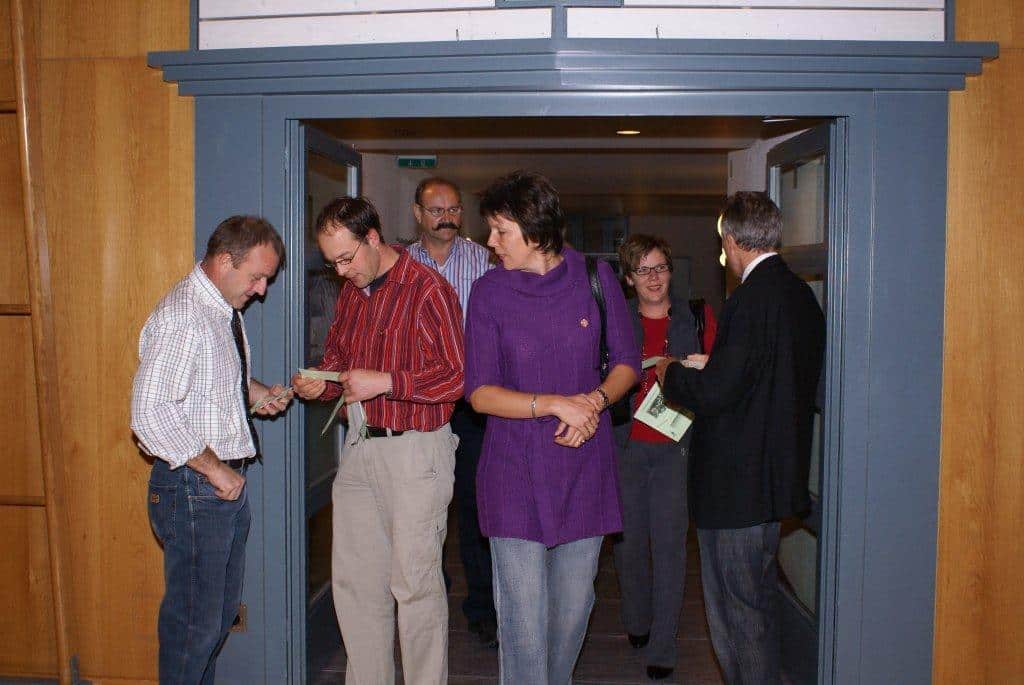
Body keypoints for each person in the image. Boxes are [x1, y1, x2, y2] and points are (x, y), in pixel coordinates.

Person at [464, 171, 640, 684]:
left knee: (571, 614)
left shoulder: (595, 278)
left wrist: (593, 404)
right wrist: (554, 405)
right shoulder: (488, 292)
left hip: (584, 468)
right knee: (524, 626)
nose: (491, 241)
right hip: (512, 474)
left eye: (502, 231)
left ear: (536, 230)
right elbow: (479, 392)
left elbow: (627, 363)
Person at [291, 197, 464, 685]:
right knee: (356, 587)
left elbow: (455, 378)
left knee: (415, 587)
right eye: (332, 263)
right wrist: (320, 383)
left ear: (372, 238)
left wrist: (386, 381)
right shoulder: (352, 293)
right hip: (360, 445)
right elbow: (339, 363)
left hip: (416, 451)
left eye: (346, 258)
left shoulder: (429, 289)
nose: (341, 272)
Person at [656, 192, 825, 685]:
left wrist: (671, 374)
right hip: (773, 484)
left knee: (737, 619)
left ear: (731, 239)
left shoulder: (748, 299)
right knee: (759, 605)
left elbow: (717, 394)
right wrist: (718, 365)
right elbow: (771, 374)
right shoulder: (799, 295)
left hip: (736, 490)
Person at [131, 215, 293, 685]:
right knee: (193, 629)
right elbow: (149, 412)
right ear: (224, 261)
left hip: (211, 489)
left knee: (213, 620)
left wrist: (256, 394)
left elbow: (208, 386)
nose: (262, 290)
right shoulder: (185, 316)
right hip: (195, 488)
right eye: (256, 277)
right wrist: (214, 469)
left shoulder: (219, 309)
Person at [407, 177, 498, 647]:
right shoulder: (401, 265)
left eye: (454, 209)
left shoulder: (485, 261)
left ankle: (483, 608)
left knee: (476, 505)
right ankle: (431, 604)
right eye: (436, 210)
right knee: (425, 507)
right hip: (421, 404)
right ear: (417, 214)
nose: (447, 217)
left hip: (473, 405)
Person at [611, 234, 701, 681]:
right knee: (628, 547)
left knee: (669, 549)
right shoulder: (614, 320)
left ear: (671, 271)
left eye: (660, 267)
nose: (653, 277)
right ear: (629, 278)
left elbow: (718, 377)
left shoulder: (696, 318)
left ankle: (663, 645)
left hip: (674, 449)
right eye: (642, 270)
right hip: (625, 447)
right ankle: (637, 621)